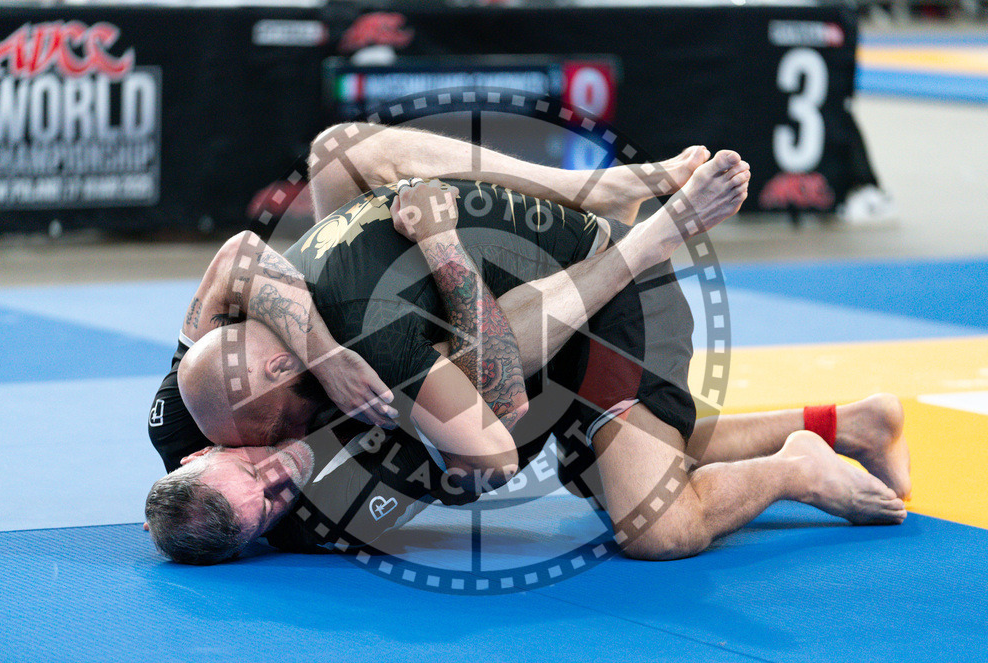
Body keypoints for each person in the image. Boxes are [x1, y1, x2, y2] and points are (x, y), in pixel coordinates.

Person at [146, 124, 909, 564]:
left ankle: (633, 217)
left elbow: (240, 256)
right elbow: (500, 421)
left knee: (657, 530)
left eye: (252, 457)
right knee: (635, 482)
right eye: (269, 506)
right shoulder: (300, 513)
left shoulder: (190, 410)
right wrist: (440, 246)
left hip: (589, 290)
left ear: (198, 452)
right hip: (497, 365)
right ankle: (836, 430)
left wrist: (328, 354)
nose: (276, 468)